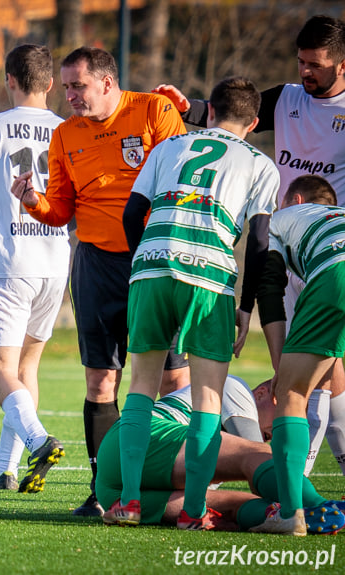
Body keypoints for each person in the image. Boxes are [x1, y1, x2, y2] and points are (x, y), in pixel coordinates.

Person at [9, 46, 190, 515]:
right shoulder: (65, 134)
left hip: (154, 260)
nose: (69, 95)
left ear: (107, 83)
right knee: (100, 380)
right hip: (95, 265)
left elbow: (182, 178)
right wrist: (32, 200)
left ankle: (184, 483)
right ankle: (105, 489)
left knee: (174, 378)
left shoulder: (155, 111)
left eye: (77, 86)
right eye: (66, 86)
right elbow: (60, 210)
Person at [158, 15, 345, 466]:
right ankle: (294, 478)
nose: (305, 72)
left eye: (315, 65)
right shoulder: (286, 99)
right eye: (301, 61)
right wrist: (187, 109)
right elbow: (230, 117)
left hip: (327, 254)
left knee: (323, 372)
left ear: (342, 64)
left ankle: (291, 477)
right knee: (316, 373)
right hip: (286, 247)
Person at [109, 77, 279, 529]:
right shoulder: (261, 164)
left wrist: (142, 263)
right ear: (255, 122)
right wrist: (247, 308)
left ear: (213, 109)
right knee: (207, 397)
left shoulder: (169, 146)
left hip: (151, 264)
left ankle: (126, 503)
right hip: (209, 274)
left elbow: (131, 214)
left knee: (141, 387)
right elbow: (260, 241)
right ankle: (192, 511)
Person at [0, 44, 68, 494]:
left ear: (9, 79)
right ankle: (6, 470)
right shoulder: (70, 129)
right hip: (55, 259)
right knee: (27, 368)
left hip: (11, 262)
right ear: (50, 84)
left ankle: (38, 440)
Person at [95, 376, 344, 534]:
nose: (277, 431)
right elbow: (255, 450)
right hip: (144, 436)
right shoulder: (236, 387)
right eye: (285, 412)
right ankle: (323, 505)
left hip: (112, 489)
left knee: (237, 507)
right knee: (258, 454)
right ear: (261, 394)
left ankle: (305, 518)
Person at [254, 174, 345, 534]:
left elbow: (270, 290)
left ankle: (290, 515)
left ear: (293, 200)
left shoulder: (279, 220)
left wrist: (281, 372)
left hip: (335, 273)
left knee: (292, 394)